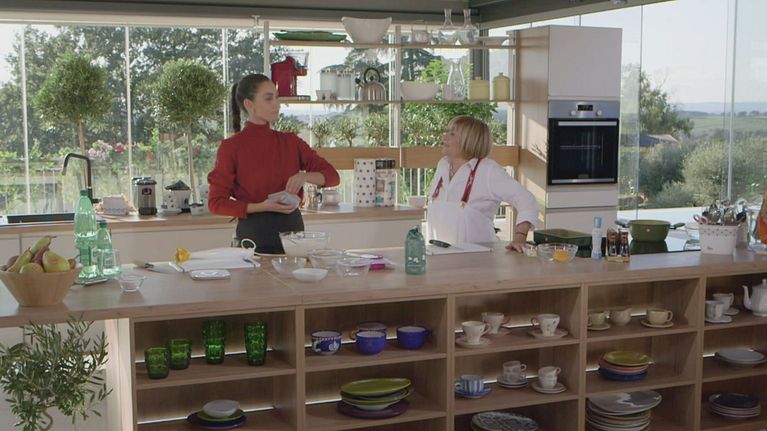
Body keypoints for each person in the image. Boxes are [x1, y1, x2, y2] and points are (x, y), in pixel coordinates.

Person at [207, 74, 340, 254]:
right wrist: (262, 206)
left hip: (293, 237)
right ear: (249, 104)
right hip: (253, 238)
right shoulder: (231, 147)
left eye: (277, 98)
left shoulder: (291, 142)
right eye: (269, 99)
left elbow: (333, 177)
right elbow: (216, 203)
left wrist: (304, 176)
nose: (276, 104)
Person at [426, 115, 538, 252]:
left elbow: (527, 200)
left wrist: (520, 238)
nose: (444, 137)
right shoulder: (443, 165)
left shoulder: (488, 170)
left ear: (469, 141)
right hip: (438, 255)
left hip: (477, 258)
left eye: (452, 134)